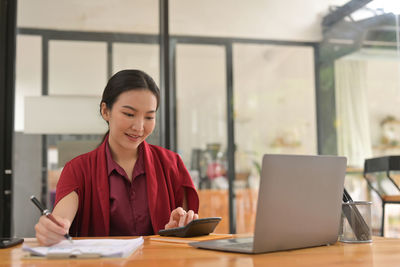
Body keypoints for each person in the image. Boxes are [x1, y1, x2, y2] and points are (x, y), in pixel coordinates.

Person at [35, 69, 199, 246]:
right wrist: (52, 230)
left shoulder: (171, 164)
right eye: (129, 114)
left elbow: (185, 230)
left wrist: (177, 229)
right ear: (105, 111)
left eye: (149, 117)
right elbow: (61, 220)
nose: (139, 126)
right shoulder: (78, 169)